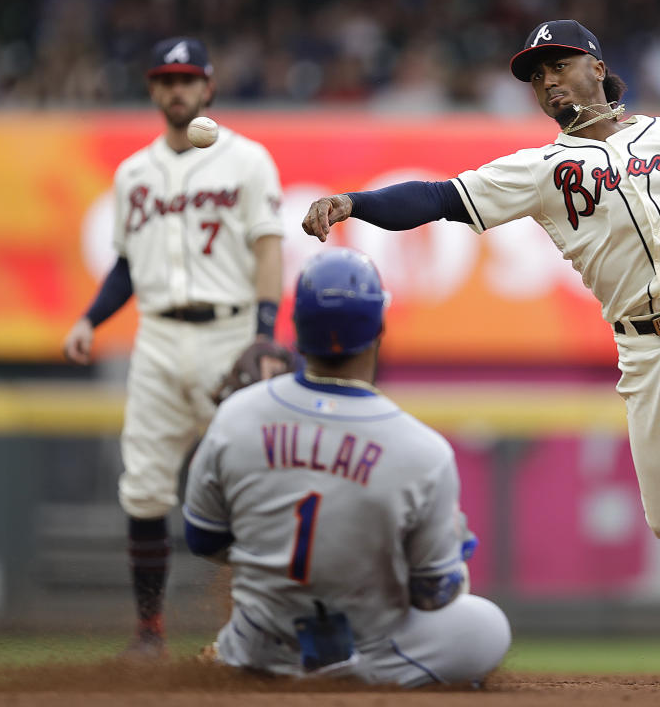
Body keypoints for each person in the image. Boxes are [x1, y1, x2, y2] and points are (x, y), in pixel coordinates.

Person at [301, 20, 660, 686]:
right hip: (639, 345)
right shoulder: (539, 170)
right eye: (537, 75)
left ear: (595, 64)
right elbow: (438, 197)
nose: (548, 80)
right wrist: (355, 201)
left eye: (558, 63)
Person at [182, 248, 511, 686]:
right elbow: (435, 594)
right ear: (380, 328)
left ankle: (238, 654)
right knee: (486, 626)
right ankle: (348, 673)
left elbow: (202, 538)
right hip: (367, 646)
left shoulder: (238, 413)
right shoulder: (422, 450)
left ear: (296, 327)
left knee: (255, 621)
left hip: (260, 641)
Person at [62, 37, 287, 658]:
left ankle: (260, 627)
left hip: (230, 333)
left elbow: (270, 247)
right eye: (166, 79)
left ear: (209, 87)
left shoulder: (247, 160)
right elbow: (127, 266)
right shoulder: (134, 172)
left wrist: (265, 334)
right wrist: (90, 318)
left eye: (188, 79)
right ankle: (149, 633)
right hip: (157, 338)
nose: (177, 89)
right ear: (152, 89)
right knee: (143, 488)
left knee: (255, 486)